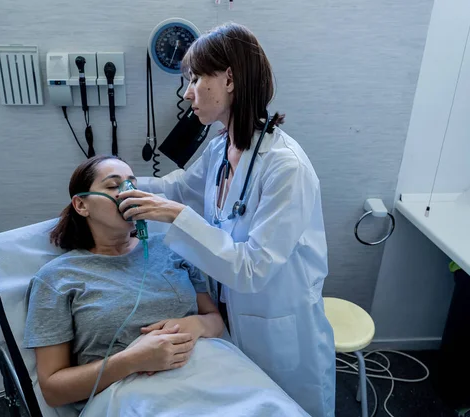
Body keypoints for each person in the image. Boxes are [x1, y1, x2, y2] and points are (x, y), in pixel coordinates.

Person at [117, 23, 336, 417]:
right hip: (229, 318)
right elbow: (179, 188)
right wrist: (122, 182)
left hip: (276, 329)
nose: (188, 92)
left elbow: (252, 269)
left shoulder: (286, 168)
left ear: (230, 79)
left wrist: (177, 216)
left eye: (196, 79)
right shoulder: (224, 145)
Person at [22, 155, 225, 409]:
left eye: (132, 184)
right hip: (131, 399)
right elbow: (53, 390)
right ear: (81, 205)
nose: (128, 193)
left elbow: (216, 321)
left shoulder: (172, 249)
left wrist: (195, 324)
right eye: (113, 186)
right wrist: (131, 360)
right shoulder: (57, 278)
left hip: (210, 375)